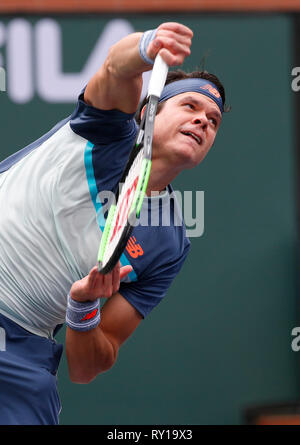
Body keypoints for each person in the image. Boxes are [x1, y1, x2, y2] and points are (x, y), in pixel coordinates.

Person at [0, 22, 228, 425]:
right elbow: (116, 68)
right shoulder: (105, 130)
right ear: (148, 113)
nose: (203, 122)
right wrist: (147, 45)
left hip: (18, 348)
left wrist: (83, 308)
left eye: (213, 120)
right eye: (190, 107)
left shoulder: (170, 244)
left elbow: (86, 368)